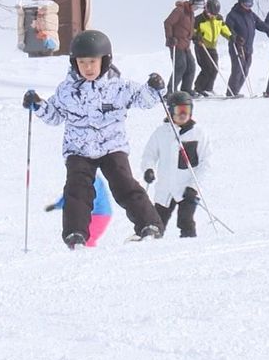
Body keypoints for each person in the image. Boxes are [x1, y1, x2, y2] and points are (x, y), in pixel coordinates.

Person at [23, 29, 166, 249]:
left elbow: (143, 100)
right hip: (78, 149)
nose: (88, 68)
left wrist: (154, 89)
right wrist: (38, 105)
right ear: (74, 63)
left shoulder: (119, 87)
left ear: (105, 60)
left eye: (92, 61)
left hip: (111, 146)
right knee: (77, 189)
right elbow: (54, 115)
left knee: (123, 183)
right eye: (82, 62)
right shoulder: (67, 90)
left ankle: (149, 224)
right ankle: (75, 234)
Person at [140, 91, 212, 238]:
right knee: (157, 221)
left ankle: (189, 245)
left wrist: (193, 187)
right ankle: (152, 246)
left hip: (187, 189)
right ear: (171, 111)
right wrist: (148, 169)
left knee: (186, 220)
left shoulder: (199, 134)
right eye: (179, 110)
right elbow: (149, 154)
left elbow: (206, 163)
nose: (183, 114)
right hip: (165, 188)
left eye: (187, 110)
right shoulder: (161, 133)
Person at [223, 0, 269, 97]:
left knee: (245, 69)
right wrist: (236, 38)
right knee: (238, 69)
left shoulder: (251, 14)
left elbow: (260, 24)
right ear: (240, 3)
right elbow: (228, 29)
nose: (248, 7)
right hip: (237, 46)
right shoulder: (233, 15)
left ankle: (236, 91)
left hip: (248, 47)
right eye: (246, 4)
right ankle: (231, 92)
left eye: (250, 5)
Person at [44, 173, 111, 247]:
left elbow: (91, 196)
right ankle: (77, 254)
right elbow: (69, 195)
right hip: (87, 212)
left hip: (99, 214)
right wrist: (56, 205)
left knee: (87, 237)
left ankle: (88, 255)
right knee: (75, 237)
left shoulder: (93, 178)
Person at [192, 0, 231, 96]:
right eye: (211, 13)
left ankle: (208, 89)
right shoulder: (199, 19)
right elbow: (193, 32)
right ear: (206, 9)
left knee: (214, 68)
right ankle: (199, 88)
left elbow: (224, 29)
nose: (212, 16)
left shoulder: (219, 18)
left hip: (212, 47)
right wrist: (196, 38)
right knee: (207, 68)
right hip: (201, 46)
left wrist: (231, 36)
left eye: (214, 14)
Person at [164, 0, 201, 94]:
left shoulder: (191, 14)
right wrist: (170, 37)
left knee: (191, 66)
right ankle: (171, 91)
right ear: (191, 2)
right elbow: (168, 23)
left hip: (185, 45)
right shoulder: (179, 10)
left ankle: (186, 90)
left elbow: (188, 29)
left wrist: (194, 36)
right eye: (196, 6)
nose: (197, 8)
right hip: (176, 44)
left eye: (199, 7)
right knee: (180, 67)